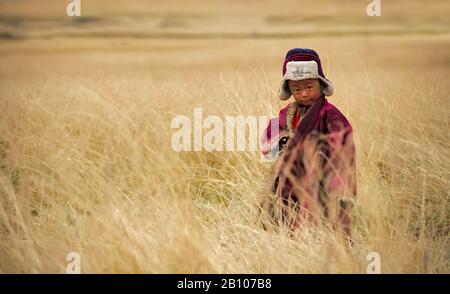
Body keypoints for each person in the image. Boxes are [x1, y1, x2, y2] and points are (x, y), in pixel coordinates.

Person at [260, 48, 357, 239]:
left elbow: (344, 150)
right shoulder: (286, 114)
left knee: (324, 225)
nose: (303, 94)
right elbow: (269, 142)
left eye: (309, 87)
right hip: (289, 181)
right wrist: (278, 144)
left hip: (320, 181)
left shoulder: (330, 115)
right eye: (296, 89)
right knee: (285, 222)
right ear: (289, 90)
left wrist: (338, 184)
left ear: (320, 84)